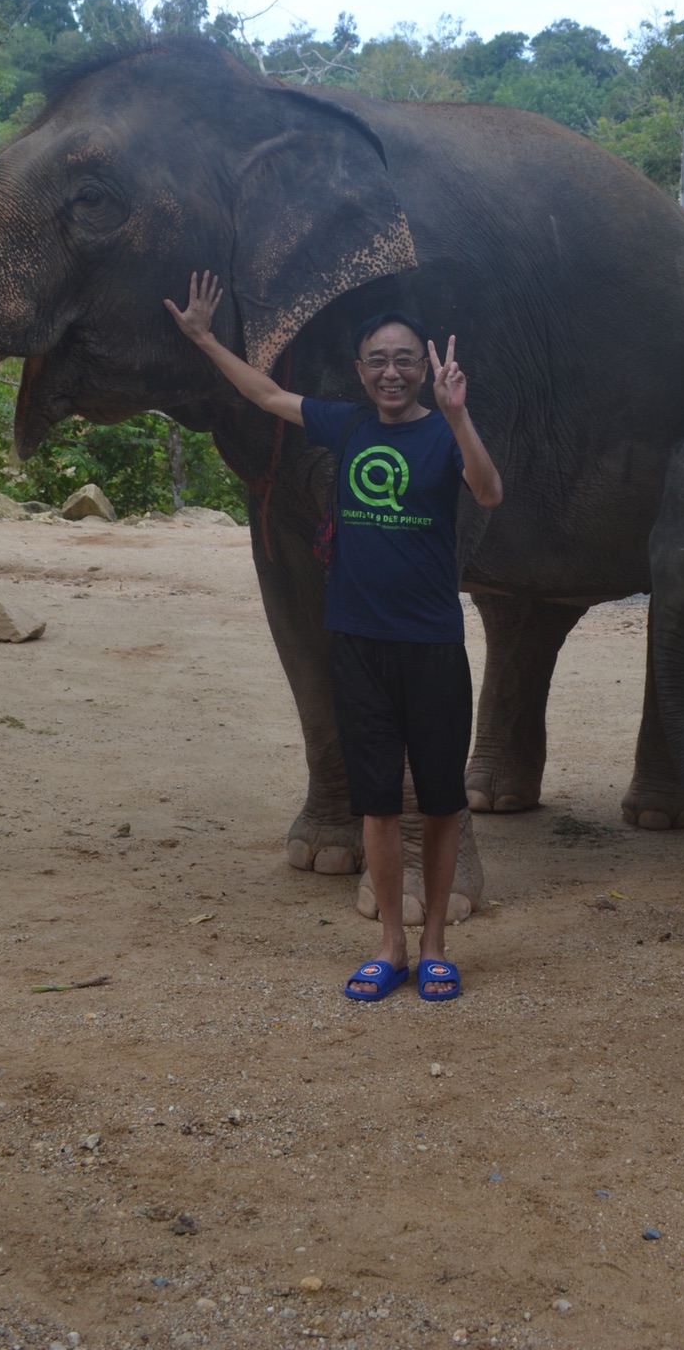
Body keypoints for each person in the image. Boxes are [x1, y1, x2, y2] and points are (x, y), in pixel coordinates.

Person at [164, 271, 503, 1004]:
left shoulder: (445, 436)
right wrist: (203, 337)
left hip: (434, 647)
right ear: (360, 372)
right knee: (377, 807)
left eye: (405, 359)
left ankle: (435, 946)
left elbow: (488, 490)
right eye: (378, 360)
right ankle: (389, 947)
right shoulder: (343, 424)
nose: (391, 371)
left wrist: (458, 415)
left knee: (441, 803)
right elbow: (262, 394)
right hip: (358, 645)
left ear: (426, 369)